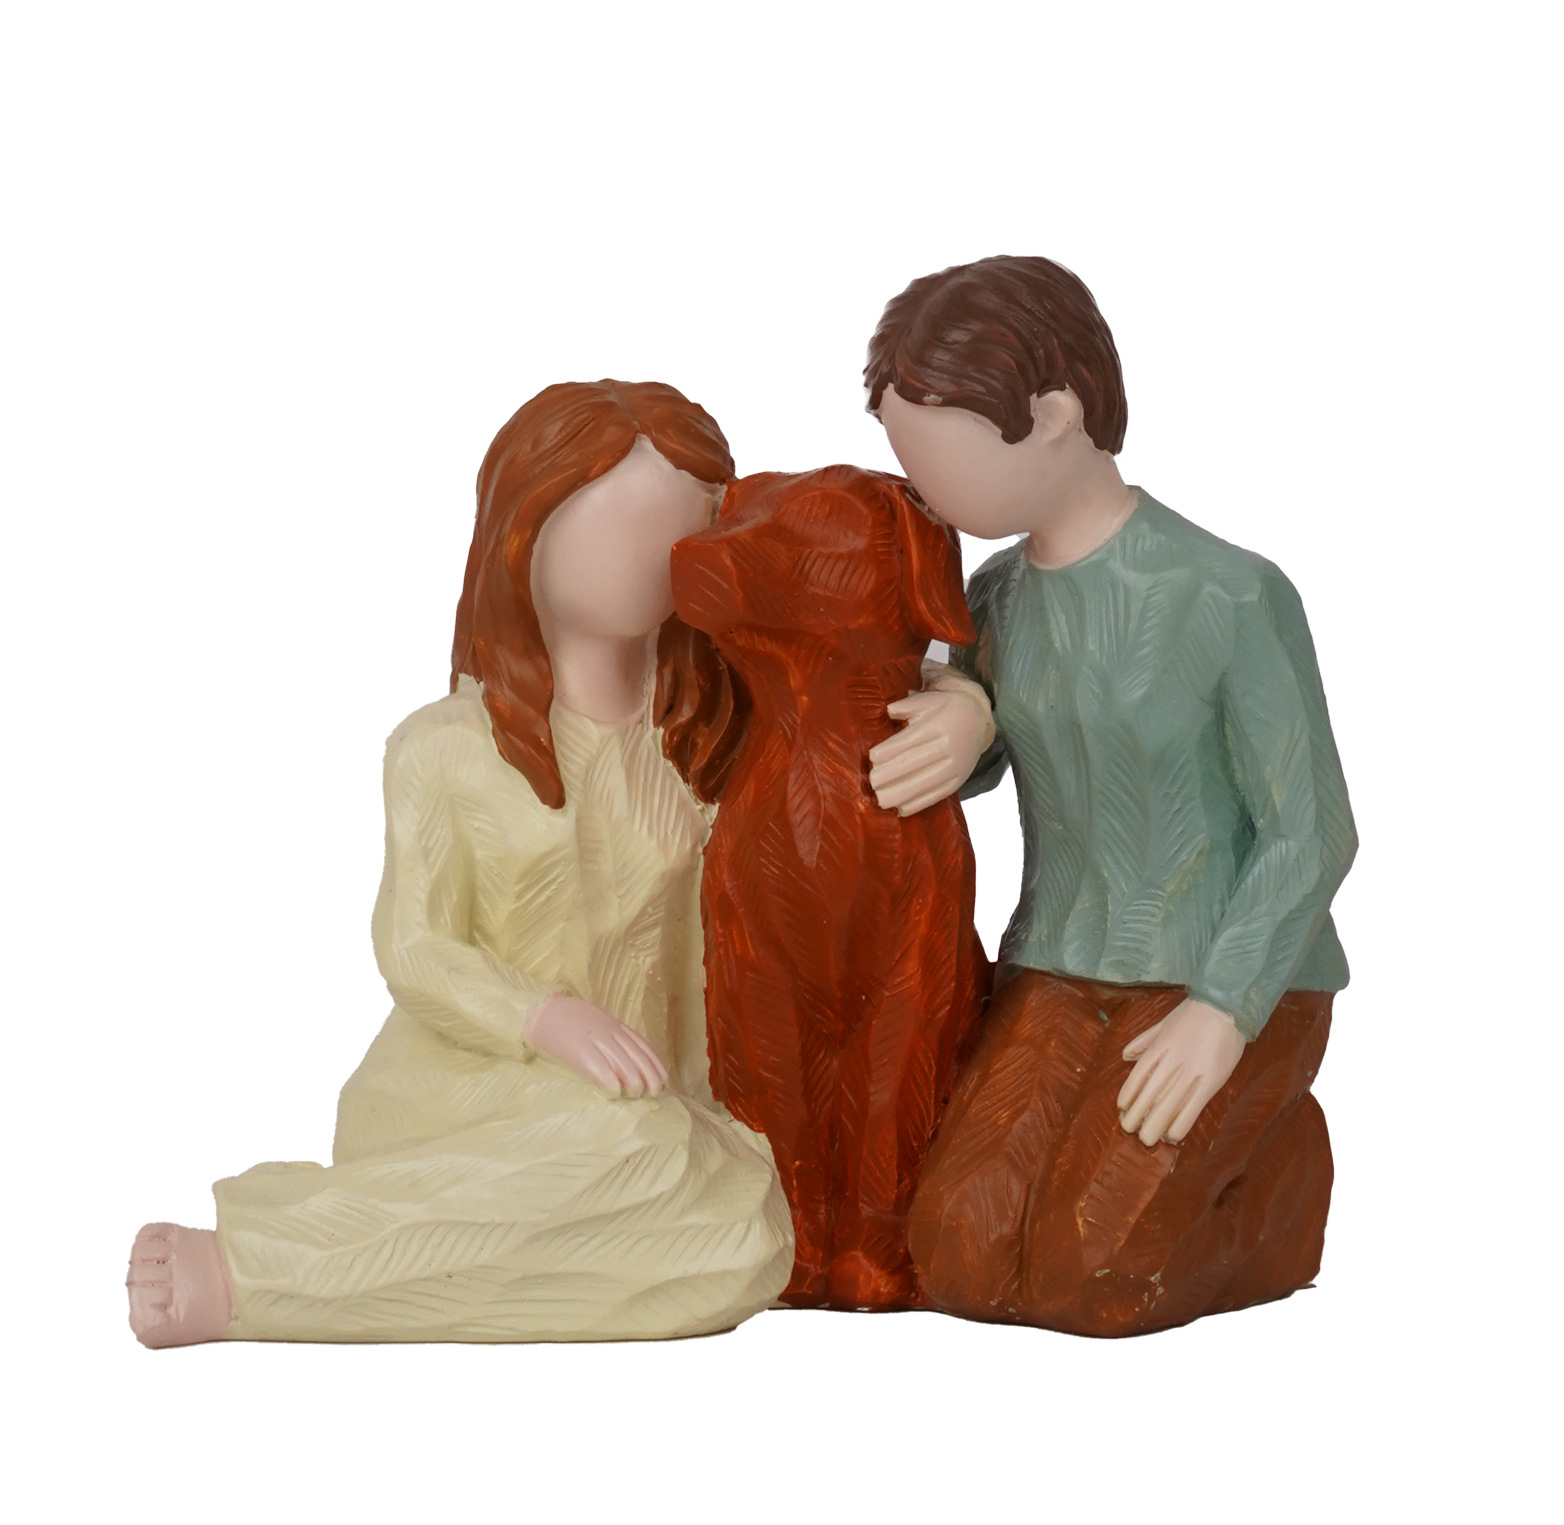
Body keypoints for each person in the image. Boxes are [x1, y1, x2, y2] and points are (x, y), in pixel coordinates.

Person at [126, 381, 794, 1346]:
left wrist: (966, 708)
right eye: (621, 526)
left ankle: (435, 1270)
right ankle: (245, 1269)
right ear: (527, 532)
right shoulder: (443, 747)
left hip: (659, 1119)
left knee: (746, 1231)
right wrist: (545, 1016)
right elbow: (415, 947)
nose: (654, 557)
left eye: (680, 532)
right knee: (641, 1152)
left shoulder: (705, 740)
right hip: (467, 1093)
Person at [863, 257, 1358, 1336]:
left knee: (1090, 1276)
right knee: (957, 1252)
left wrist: (1221, 1012)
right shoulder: (993, 598)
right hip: (1057, 968)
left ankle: (1276, 1173)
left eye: (936, 459)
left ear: (1053, 416)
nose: (918, 490)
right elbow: (969, 761)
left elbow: (1311, 831)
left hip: (1225, 976)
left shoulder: (1230, 592)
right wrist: (965, 711)